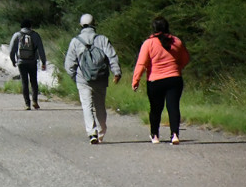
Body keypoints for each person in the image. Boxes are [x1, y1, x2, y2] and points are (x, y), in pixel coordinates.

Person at [132, 16, 190, 145]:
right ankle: (175, 134)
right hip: (174, 79)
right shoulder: (177, 41)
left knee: (156, 109)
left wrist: (136, 80)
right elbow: (185, 58)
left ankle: (155, 135)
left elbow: (142, 64)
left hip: (155, 81)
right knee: (173, 107)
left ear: (154, 28)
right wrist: (177, 68)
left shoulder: (149, 43)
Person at [64, 14, 122, 144]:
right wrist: (116, 72)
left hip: (83, 79)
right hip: (101, 79)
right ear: (94, 24)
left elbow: (69, 65)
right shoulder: (102, 39)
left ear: (81, 25)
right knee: (100, 105)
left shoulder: (75, 41)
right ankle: (101, 132)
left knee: (87, 106)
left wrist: (75, 77)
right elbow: (112, 57)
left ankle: (92, 133)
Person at [9, 19, 47, 110]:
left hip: (21, 62)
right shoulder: (35, 35)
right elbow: (41, 50)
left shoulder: (17, 35)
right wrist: (43, 62)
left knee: (24, 82)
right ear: (30, 26)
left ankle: (27, 104)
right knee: (34, 81)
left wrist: (13, 61)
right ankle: (35, 101)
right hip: (32, 61)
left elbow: (11, 50)